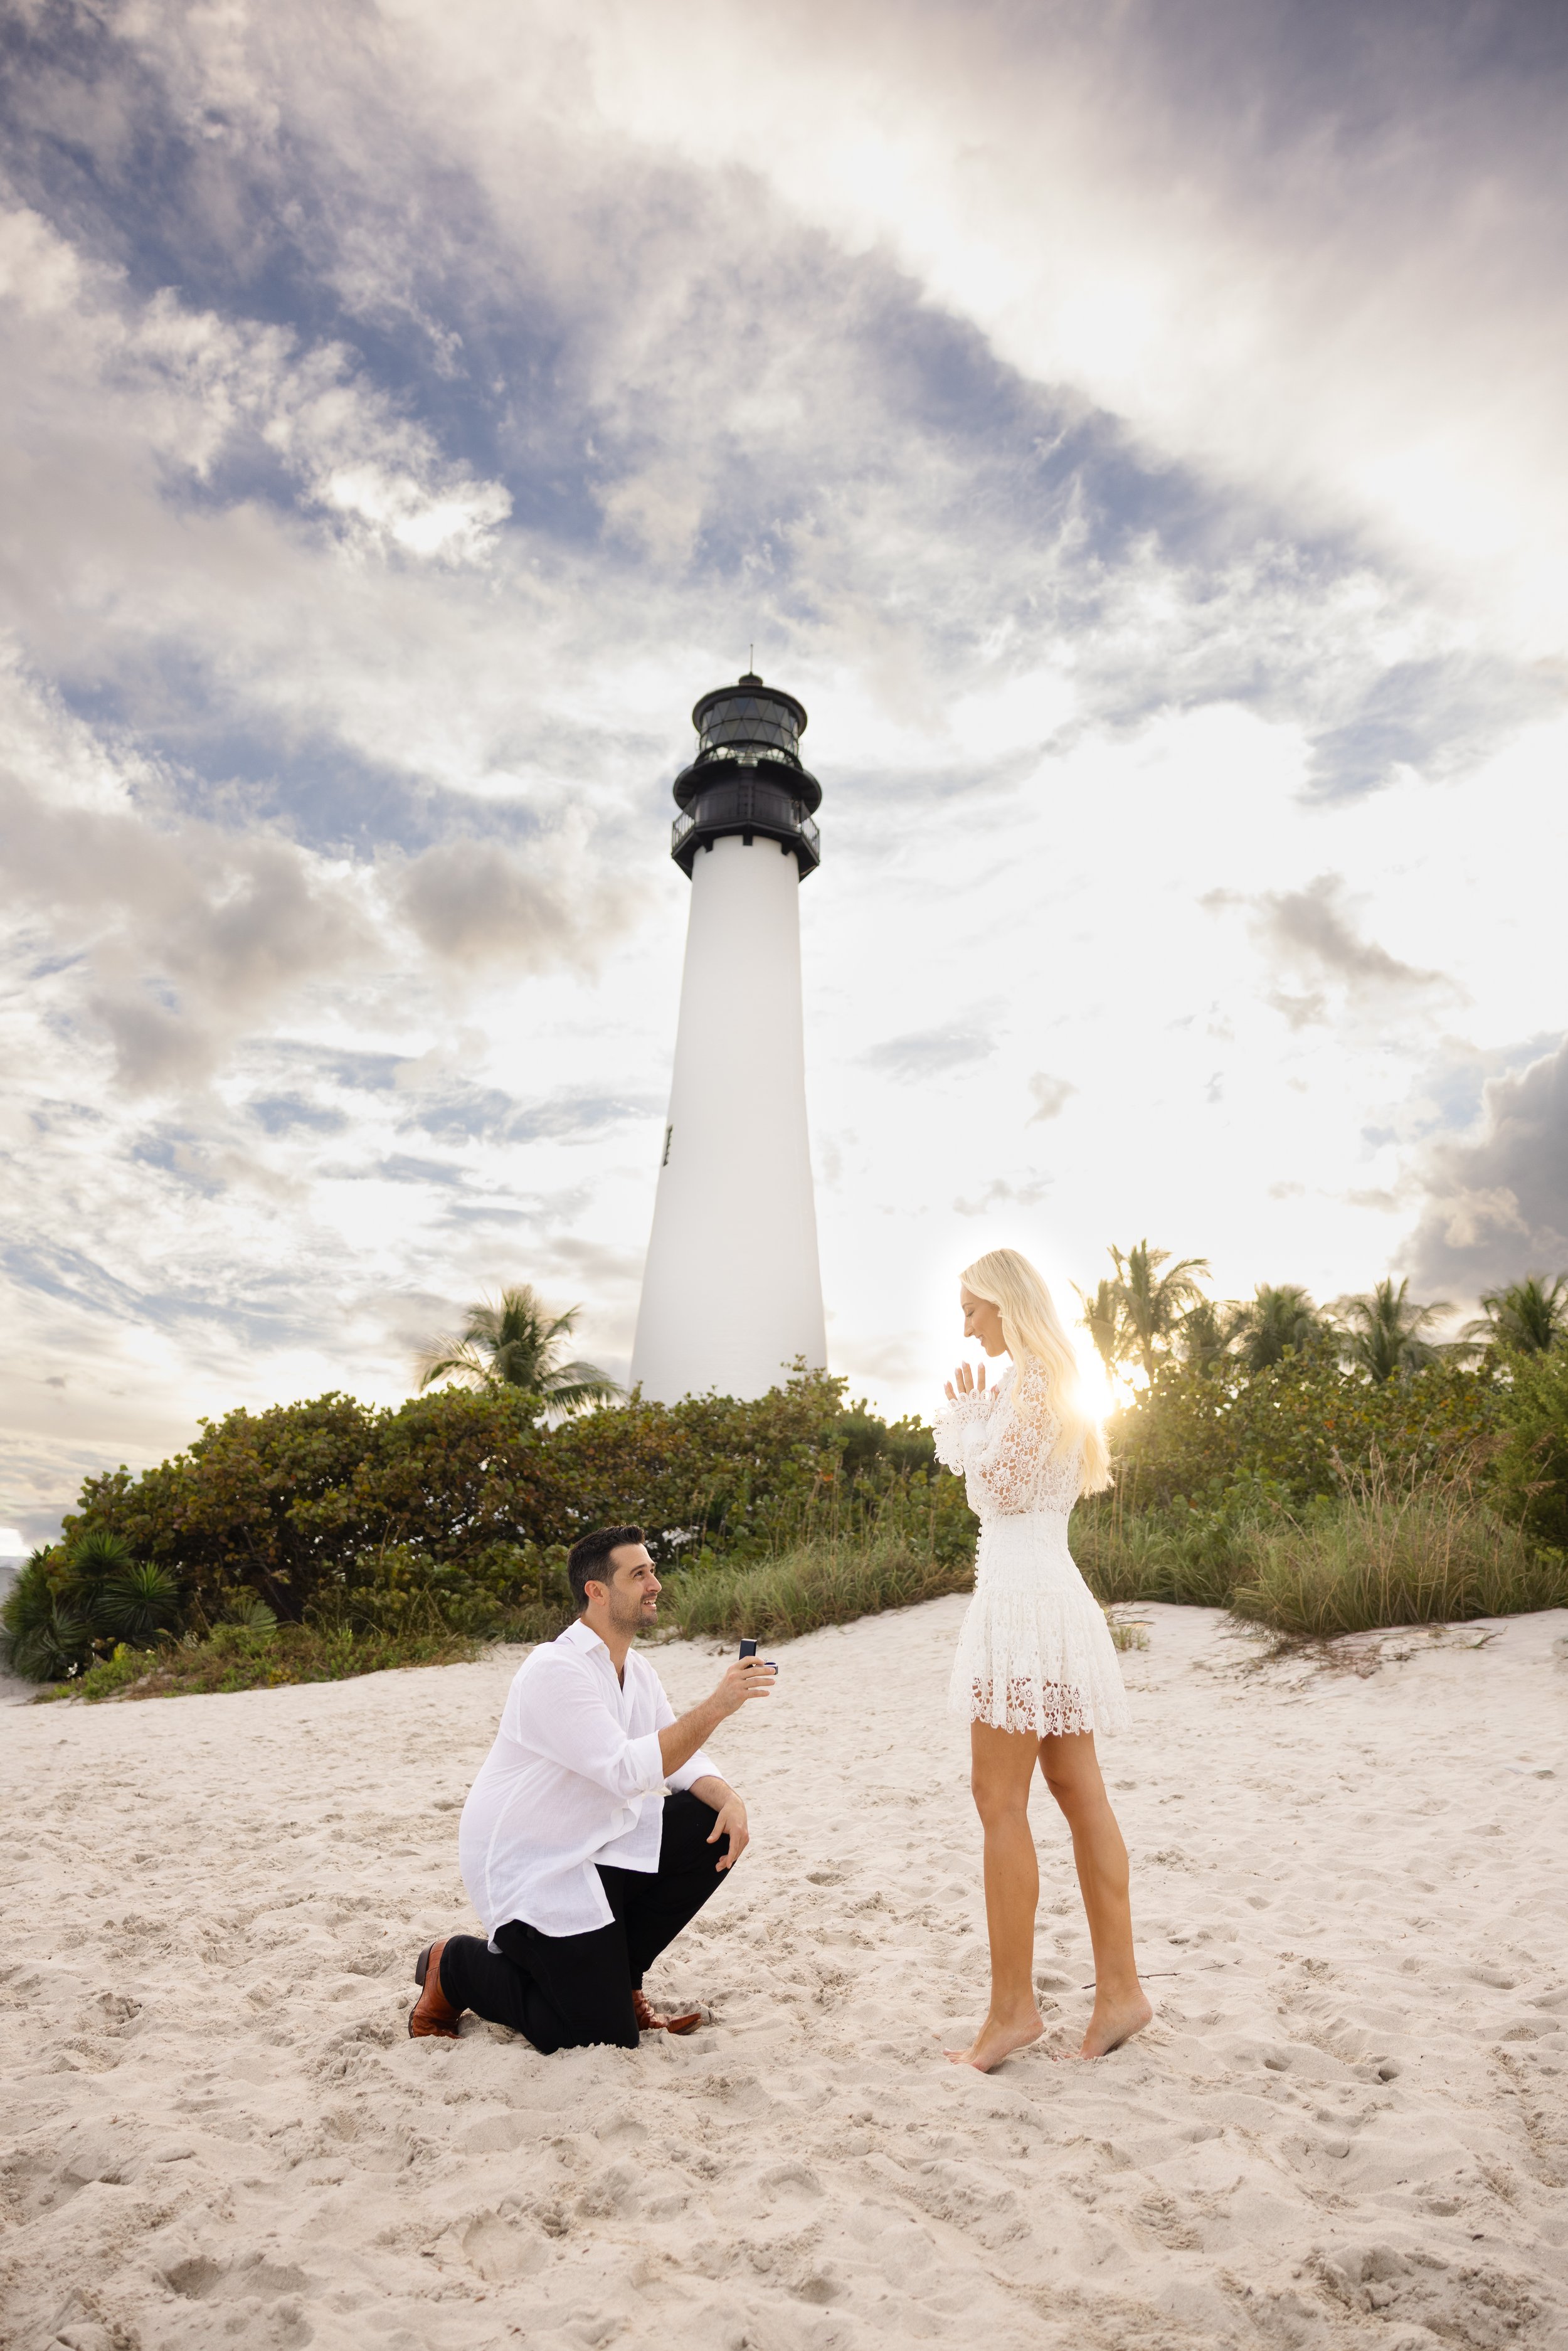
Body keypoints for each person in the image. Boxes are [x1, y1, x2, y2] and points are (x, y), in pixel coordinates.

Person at [407, 1523, 775, 2051]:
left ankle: (622, 1980)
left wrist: (728, 1796)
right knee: (598, 2038)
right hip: (533, 1868)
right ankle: (457, 1965)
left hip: (595, 1845)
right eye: (639, 1574)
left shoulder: (637, 1670)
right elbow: (627, 1770)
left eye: (653, 1571)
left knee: (707, 1822)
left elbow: (676, 1761)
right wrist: (719, 1704)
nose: (655, 1584)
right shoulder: (554, 1669)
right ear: (597, 1591)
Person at [935, 1248, 1150, 2071]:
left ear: (1006, 1304)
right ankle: (1121, 1990)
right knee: (1077, 1790)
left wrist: (966, 1429)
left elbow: (998, 1490)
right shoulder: (1049, 1381)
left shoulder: (1029, 1383)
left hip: (1023, 1605)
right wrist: (980, 1427)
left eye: (972, 1308)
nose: (965, 1325)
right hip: (1052, 1599)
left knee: (999, 1797)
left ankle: (1013, 2010)